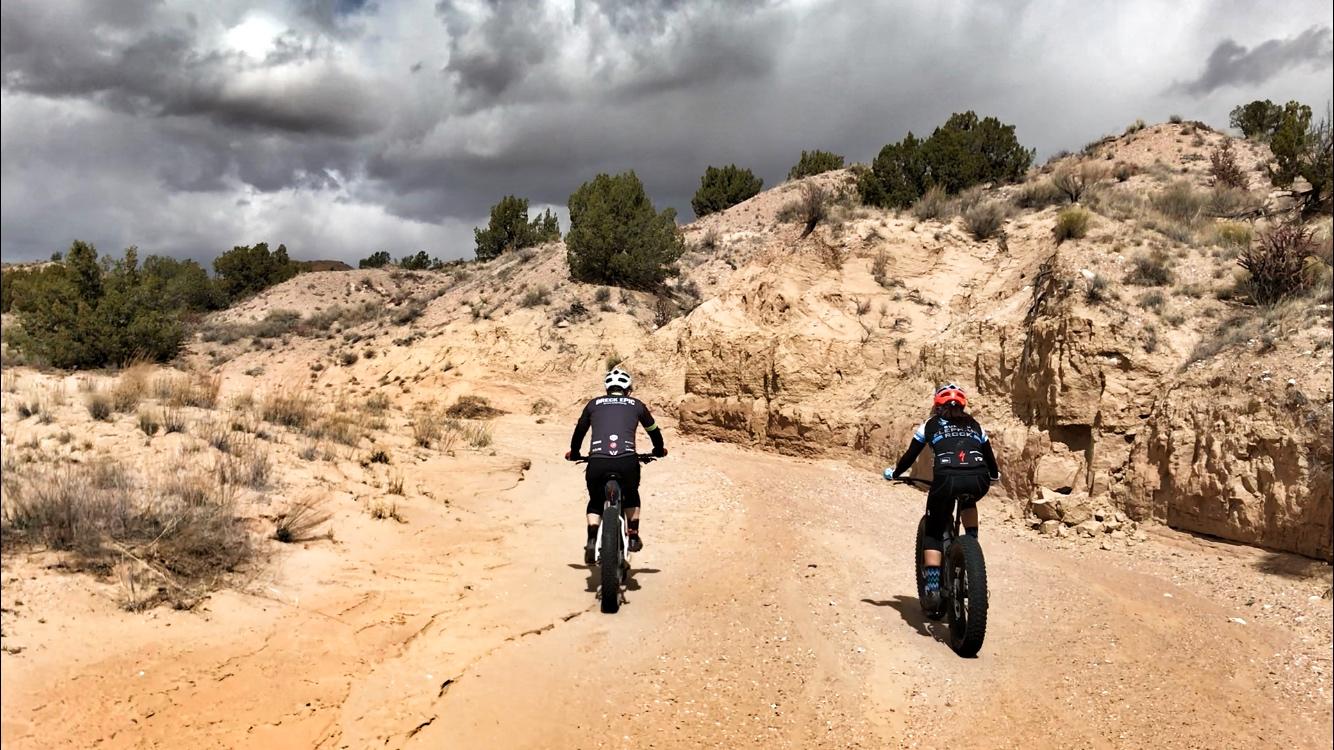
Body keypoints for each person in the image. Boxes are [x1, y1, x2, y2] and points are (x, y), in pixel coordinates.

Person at [884, 384, 999, 613]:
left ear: (937, 406)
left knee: (934, 530)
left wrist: (896, 473)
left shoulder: (930, 424)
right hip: (979, 479)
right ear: (963, 406)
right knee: (968, 499)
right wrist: (994, 476)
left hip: (946, 480)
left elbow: (911, 455)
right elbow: (989, 457)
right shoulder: (975, 424)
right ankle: (971, 547)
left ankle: (933, 590)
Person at [566, 367, 668, 563]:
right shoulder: (636, 404)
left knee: (595, 500)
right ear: (627, 389)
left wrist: (575, 453)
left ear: (607, 388)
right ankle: (633, 535)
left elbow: (580, 430)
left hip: (598, 462)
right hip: (626, 461)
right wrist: (658, 449)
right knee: (632, 494)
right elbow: (653, 430)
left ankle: (592, 538)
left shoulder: (593, 404)